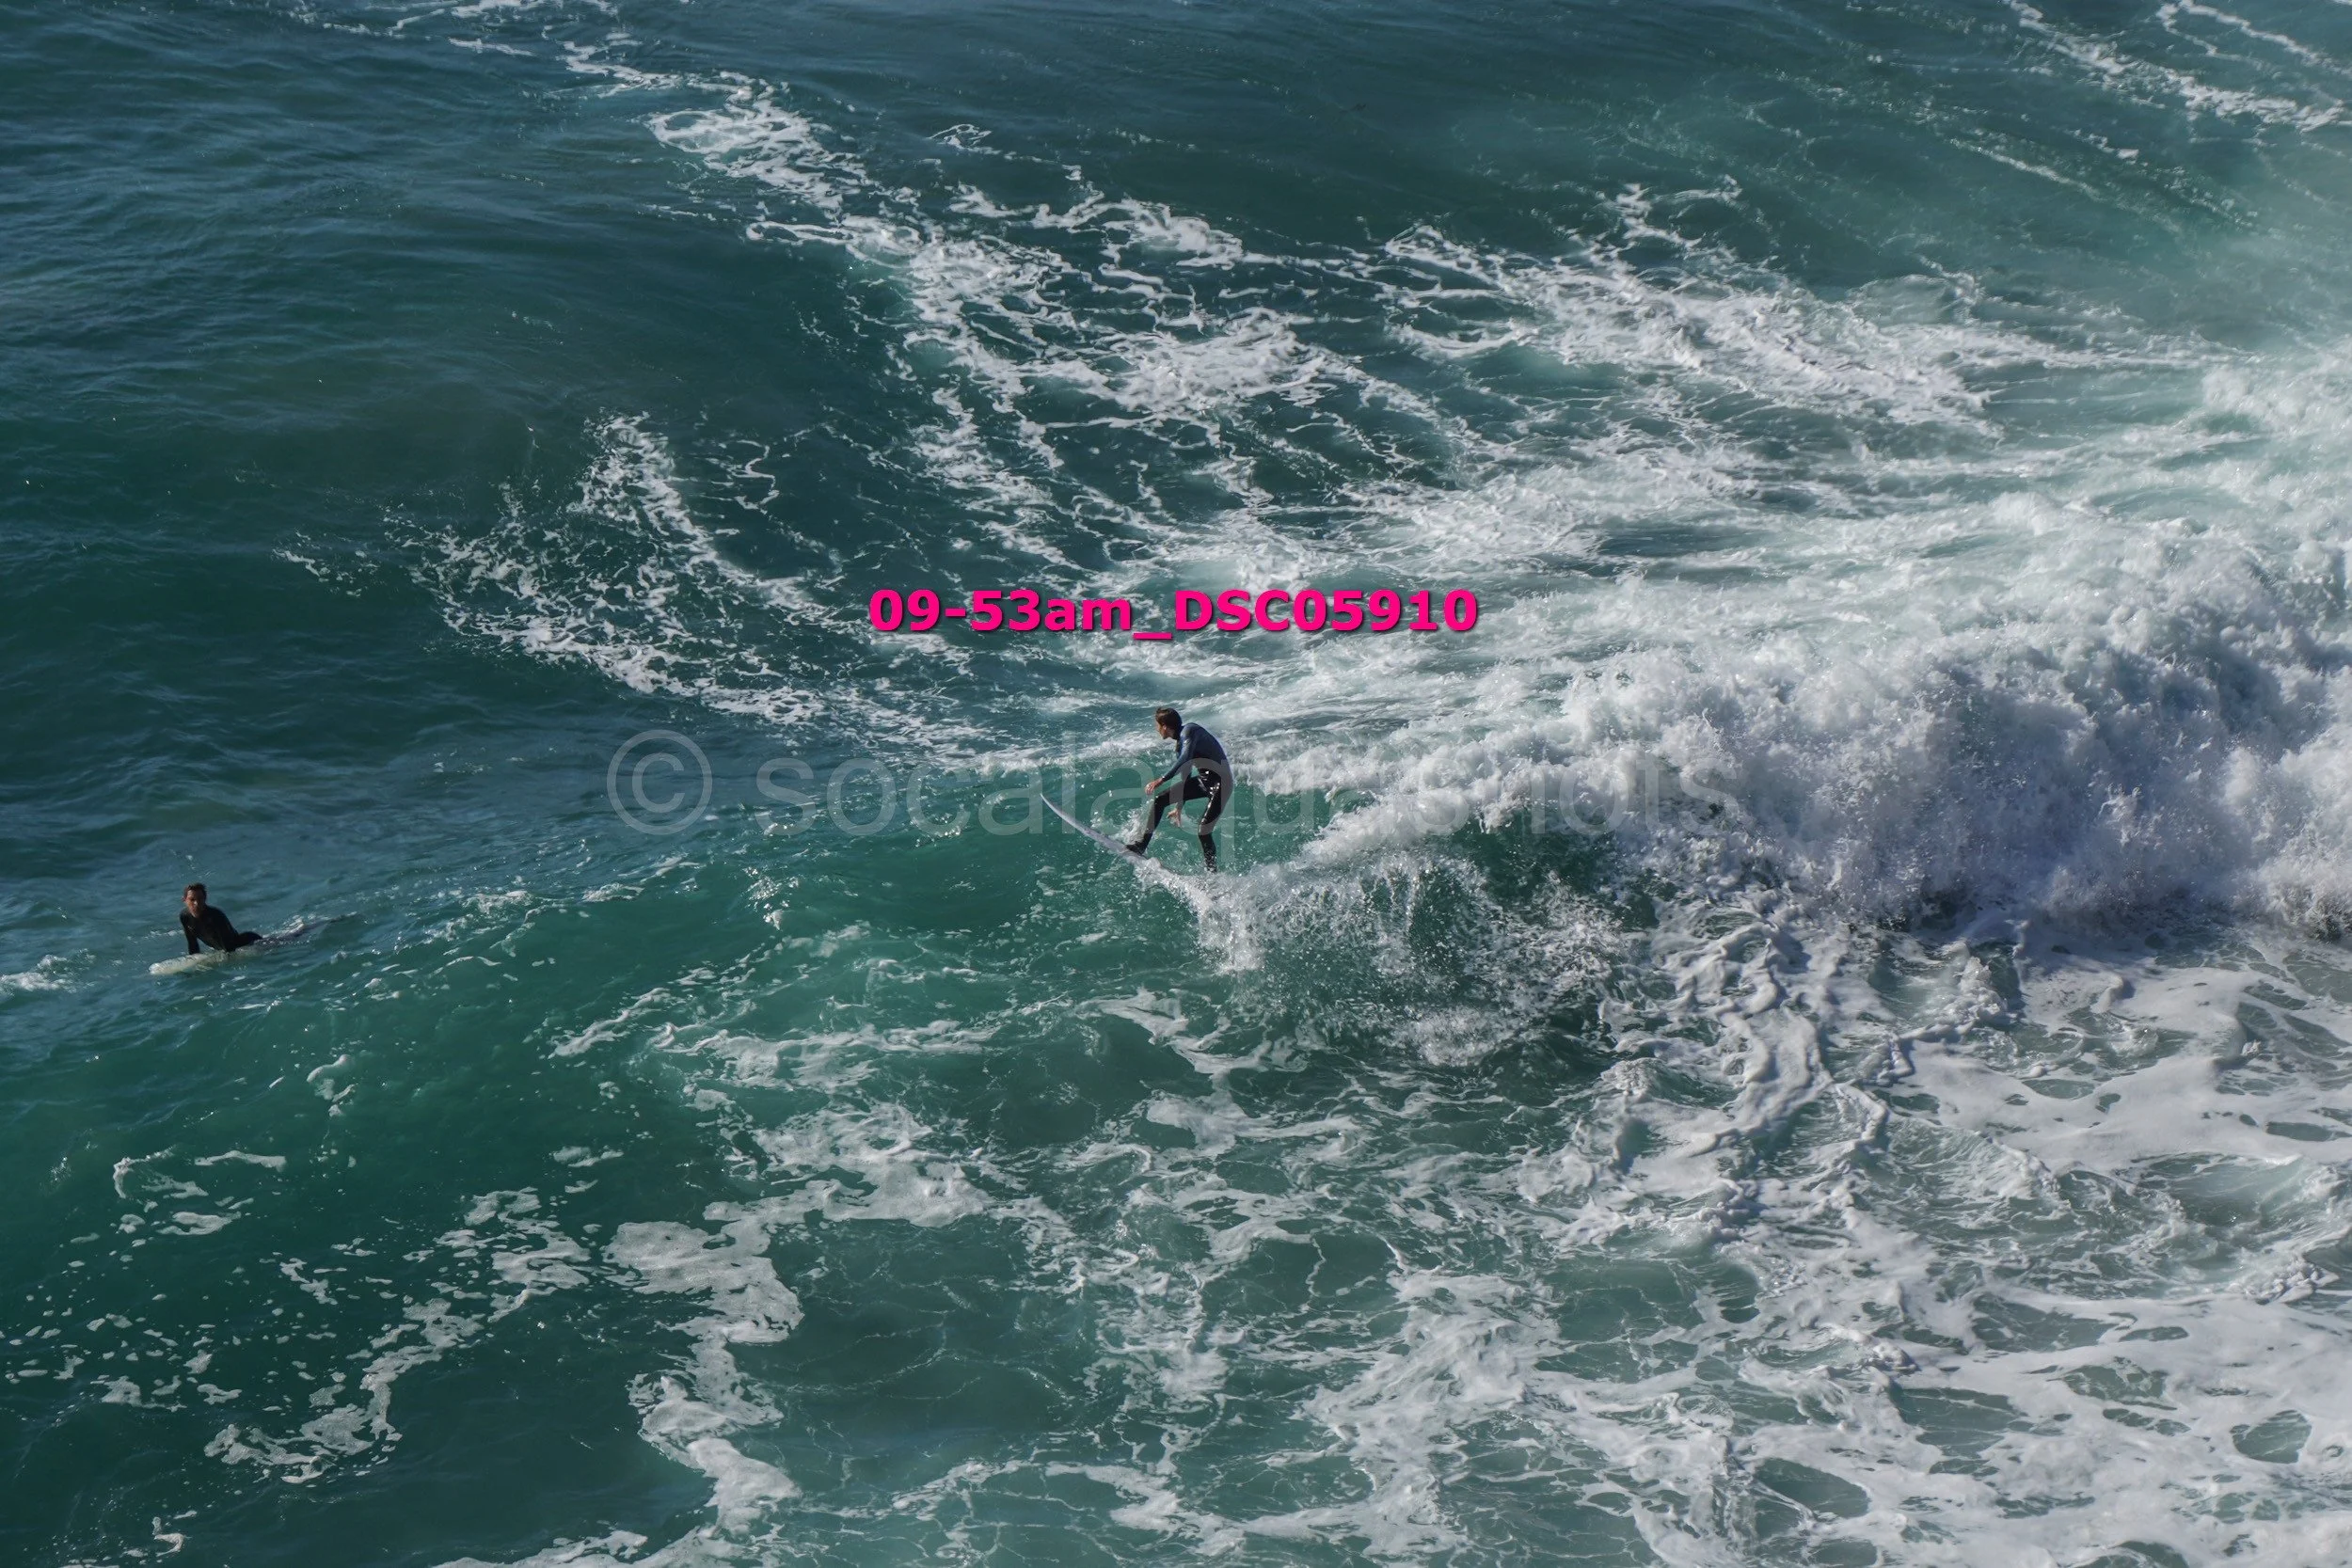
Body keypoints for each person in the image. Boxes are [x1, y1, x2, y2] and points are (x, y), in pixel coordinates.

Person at [1127, 706, 1231, 870]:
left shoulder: (1190, 731)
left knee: (1203, 831)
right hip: (1204, 781)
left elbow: (1185, 757)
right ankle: (1141, 846)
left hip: (1221, 784)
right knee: (1160, 800)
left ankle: (1213, 873)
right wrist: (1179, 807)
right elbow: (1186, 774)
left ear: (1165, 726)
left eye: (1157, 725)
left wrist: (1161, 780)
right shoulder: (1179, 744)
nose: (1156, 729)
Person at [180, 883, 260, 956]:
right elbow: (192, 943)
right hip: (228, 948)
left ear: (205, 898)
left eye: (200, 899)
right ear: (184, 900)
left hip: (250, 943)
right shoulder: (184, 916)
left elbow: (229, 948)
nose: (196, 903)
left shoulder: (215, 916)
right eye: (192, 899)